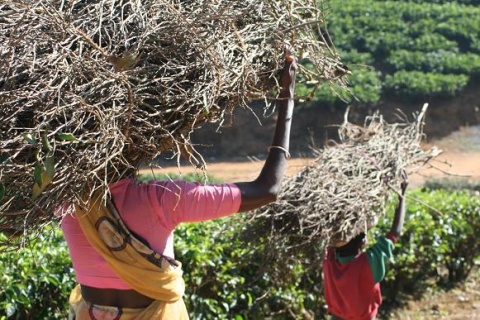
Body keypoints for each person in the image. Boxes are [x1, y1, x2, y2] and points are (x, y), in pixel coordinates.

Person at [58, 54, 297, 320]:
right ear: (142, 142)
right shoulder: (161, 199)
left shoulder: (68, 202)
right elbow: (268, 190)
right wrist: (287, 97)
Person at [322, 175, 409, 320]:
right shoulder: (368, 263)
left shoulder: (329, 260)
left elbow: (331, 237)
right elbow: (395, 232)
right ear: (362, 242)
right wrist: (402, 194)